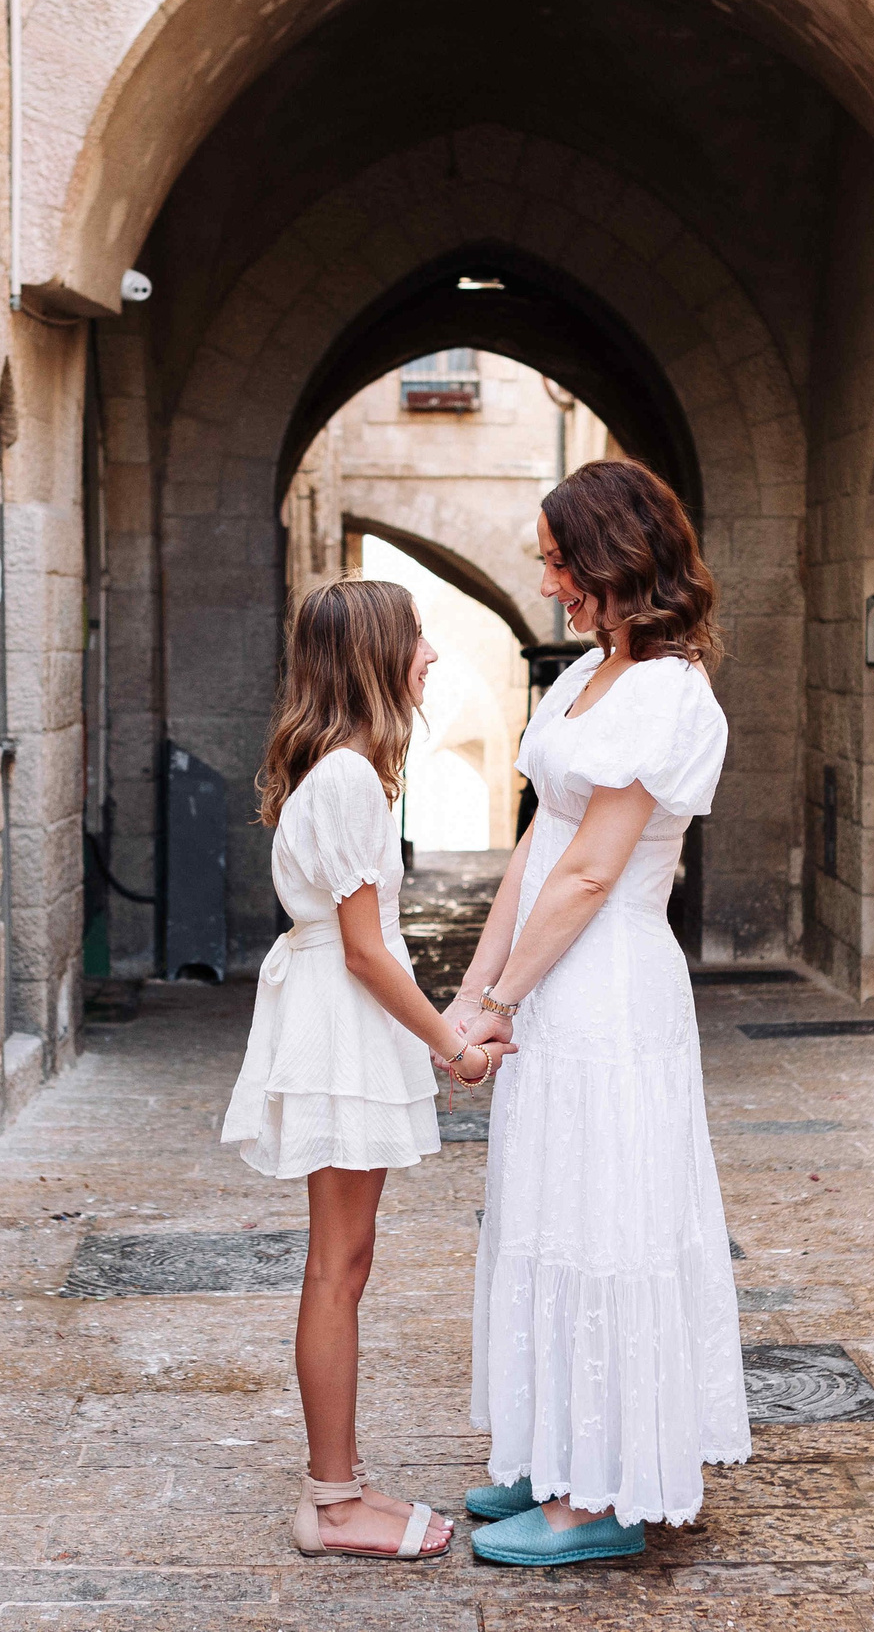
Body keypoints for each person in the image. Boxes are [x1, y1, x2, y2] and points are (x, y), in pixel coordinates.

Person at [449, 459, 751, 1565]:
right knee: (550, 1207)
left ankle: (604, 1498)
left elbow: (588, 874)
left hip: (610, 986)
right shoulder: (588, 673)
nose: (546, 582)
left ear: (613, 558)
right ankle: (557, 1452)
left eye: (557, 561)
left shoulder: (668, 692)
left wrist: (504, 999)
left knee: (606, 1216)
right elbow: (539, 842)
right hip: (554, 983)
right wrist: (477, 989)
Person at [221, 576, 511, 1561]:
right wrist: (454, 1047)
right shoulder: (347, 778)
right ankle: (333, 1503)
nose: (431, 654)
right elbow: (365, 950)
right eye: (416, 636)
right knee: (337, 1266)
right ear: (374, 655)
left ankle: (339, 1483)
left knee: (343, 1262)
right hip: (339, 1028)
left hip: (337, 1021)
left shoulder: (339, 772)